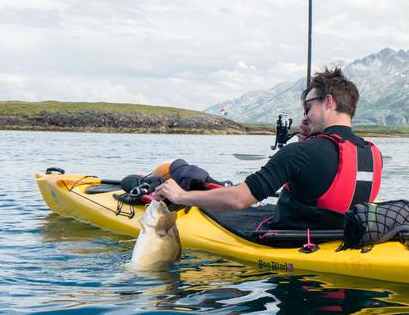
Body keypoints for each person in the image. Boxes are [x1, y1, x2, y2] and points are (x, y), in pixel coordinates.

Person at [153, 67, 383, 230]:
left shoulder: (299, 154)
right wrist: (308, 142)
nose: (305, 116)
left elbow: (239, 200)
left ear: (329, 102)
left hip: (290, 239)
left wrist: (182, 196)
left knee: (183, 176)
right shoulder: (373, 154)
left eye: (307, 107)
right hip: (341, 235)